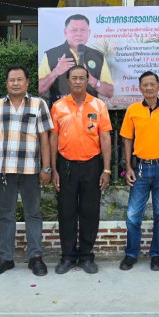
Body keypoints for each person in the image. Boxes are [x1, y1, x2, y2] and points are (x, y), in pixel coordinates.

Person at [0, 65, 54, 277]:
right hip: (4, 170)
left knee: (33, 214)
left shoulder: (38, 105)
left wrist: (46, 167)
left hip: (31, 170)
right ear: (6, 83)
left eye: (19, 79)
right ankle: (5, 258)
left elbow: (44, 138)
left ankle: (36, 257)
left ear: (27, 82)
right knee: (6, 215)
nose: (15, 83)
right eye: (12, 80)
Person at [50, 65, 112, 275]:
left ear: (87, 81)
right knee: (66, 212)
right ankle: (67, 256)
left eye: (82, 78)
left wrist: (106, 170)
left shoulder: (99, 105)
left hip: (92, 165)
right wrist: (53, 169)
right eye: (74, 78)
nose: (78, 81)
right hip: (66, 166)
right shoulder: (58, 106)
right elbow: (53, 138)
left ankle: (86, 256)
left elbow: (105, 138)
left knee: (89, 212)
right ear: (68, 81)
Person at [119, 71, 159, 272]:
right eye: (145, 85)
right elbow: (127, 139)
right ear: (140, 88)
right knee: (133, 214)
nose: (149, 88)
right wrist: (128, 167)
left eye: (152, 84)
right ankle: (131, 254)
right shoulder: (133, 110)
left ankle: (156, 254)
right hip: (141, 168)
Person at [38, 14, 114, 103]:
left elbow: (110, 92)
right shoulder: (51, 55)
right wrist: (55, 72)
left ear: (89, 32)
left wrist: (92, 81)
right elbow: (39, 89)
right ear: (65, 32)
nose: (79, 34)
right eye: (74, 30)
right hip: (61, 109)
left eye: (83, 30)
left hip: (89, 109)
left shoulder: (98, 56)